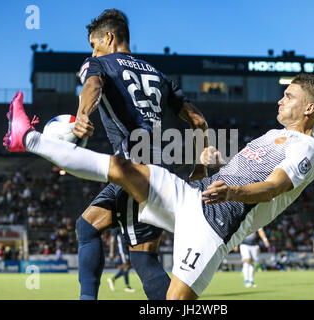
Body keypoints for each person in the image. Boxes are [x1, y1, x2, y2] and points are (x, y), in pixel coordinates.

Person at [4, 72, 314, 299]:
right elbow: (226, 178)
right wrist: (207, 164)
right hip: (192, 198)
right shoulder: (274, 135)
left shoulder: (308, 150)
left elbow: (274, 186)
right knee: (121, 168)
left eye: (289, 96)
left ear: (309, 108)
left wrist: (230, 191)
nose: (280, 100)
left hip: (214, 228)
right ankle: (27, 137)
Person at [58, 9, 209, 300]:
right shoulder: (158, 74)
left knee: (137, 256)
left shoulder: (98, 64)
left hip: (134, 169)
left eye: (94, 43)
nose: (92, 50)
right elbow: (199, 121)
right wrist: (201, 167)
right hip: (162, 171)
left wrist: (81, 115)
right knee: (96, 230)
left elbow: (92, 85)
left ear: (109, 37)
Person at [107, 226, 135, 293]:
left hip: (127, 248)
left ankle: (113, 279)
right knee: (126, 266)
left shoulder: (124, 224)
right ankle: (127, 286)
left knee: (127, 267)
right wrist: (111, 252)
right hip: (122, 249)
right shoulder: (116, 226)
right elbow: (112, 239)